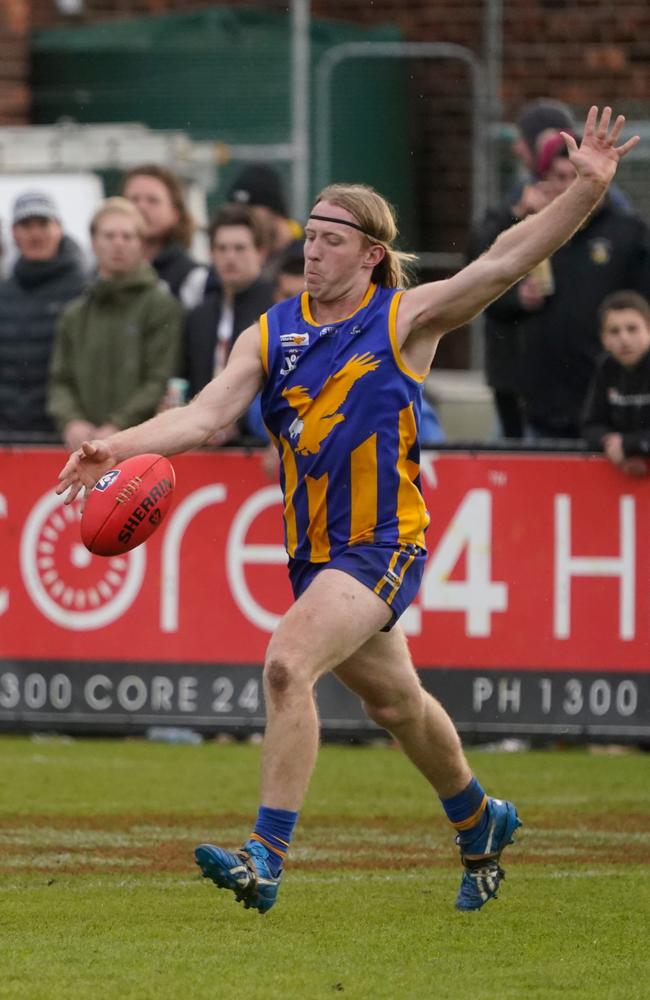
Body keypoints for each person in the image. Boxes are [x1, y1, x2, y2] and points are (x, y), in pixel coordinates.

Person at [57, 107, 637, 915]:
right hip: (317, 553)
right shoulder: (272, 333)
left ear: (371, 254)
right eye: (310, 235)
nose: (313, 248)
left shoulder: (403, 318)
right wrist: (112, 448)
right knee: (396, 703)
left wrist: (585, 189)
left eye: (332, 238)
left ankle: (265, 856)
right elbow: (204, 416)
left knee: (287, 663)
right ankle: (479, 818)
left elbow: (504, 261)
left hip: (383, 543)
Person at [514, 135, 650, 438]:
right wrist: (517, 296)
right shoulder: (533, 229)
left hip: (607, 409)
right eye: (561, 177)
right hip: (542, 404)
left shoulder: (628, 233)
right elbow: (479, 272)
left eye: (579, 175)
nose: (571, 185)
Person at [48, 197, 183, 451]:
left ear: (141, 245)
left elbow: (160, 378)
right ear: (94, 242)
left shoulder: (162, 306)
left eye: (128, 236)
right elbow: (60, 380)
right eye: (109, 235)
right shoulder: (74, 313)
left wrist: (117, 425)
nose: (118, 243)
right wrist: (71, 421)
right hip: (83, 447)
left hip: (143, 448)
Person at [0, 191, 86, 438]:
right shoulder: (3, 292)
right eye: (26, 225)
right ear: (14, 233)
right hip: (6, 436)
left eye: (43, 224)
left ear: (59, 228)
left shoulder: (84, 290)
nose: (35, 234)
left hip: (64, 435)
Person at [581, 290, 650, 476]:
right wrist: (609, 442)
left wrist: (628, 445)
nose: (624, 339)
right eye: (614, 331)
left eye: (632, 329)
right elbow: (590, 425)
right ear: (604, 339)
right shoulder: (606, 368)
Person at [122, 164, 208, 310]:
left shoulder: (191, 277)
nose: (141, 207)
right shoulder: (102, 274)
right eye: (134, 199)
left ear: (175, 213)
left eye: (153, 200)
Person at [226, 163, 304, 281]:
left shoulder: (309, 255)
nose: (241, 219)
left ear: (275, 210)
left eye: (249, 211)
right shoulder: (238, 257)